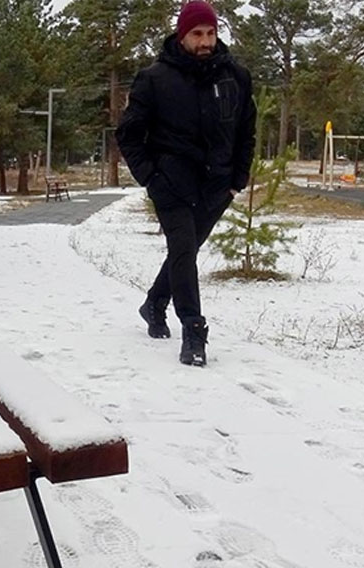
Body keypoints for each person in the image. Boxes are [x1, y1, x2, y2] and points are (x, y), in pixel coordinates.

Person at [116, 0, 256, 367]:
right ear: (182, 36)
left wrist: (237, 179)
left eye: (210, 33)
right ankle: (193, 330)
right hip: (172, 184)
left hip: (218, 185)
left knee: (186, 251)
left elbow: (246, 132)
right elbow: (129, 135)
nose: (205, 41)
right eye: (197, 34)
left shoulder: (236, 78)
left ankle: (154, 303)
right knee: (182, 246)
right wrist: (151, 179)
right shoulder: (154, 79)